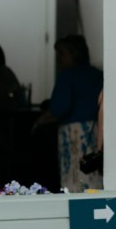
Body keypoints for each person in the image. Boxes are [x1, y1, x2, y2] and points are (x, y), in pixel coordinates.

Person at [33, 35, 103, 192]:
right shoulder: (97, 75)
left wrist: (38, 122)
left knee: (74, 178)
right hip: (95, 132)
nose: (59, 59)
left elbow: (60, 108)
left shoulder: (67, 76)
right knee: (92, 174)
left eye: (61, 54)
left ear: (73, 53)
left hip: (73, 135)